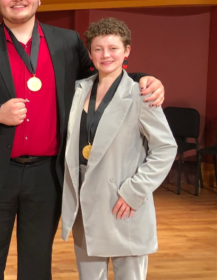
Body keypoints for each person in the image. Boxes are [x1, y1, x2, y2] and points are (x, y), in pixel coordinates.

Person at [0, 0, 167, 279]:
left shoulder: (67, 41)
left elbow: (102, 76)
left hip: (47, 175)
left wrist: (143, 78)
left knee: (37, 261)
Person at [61, 17, 176, 280]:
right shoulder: (78, 90)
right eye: (98, 49)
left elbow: (166, 148)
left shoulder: (141, 93)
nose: (106, 55)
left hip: (123, 204)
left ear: (127, 51)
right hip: (86, 205)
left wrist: (135, 192)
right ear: (89, 53)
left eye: (113, 48)